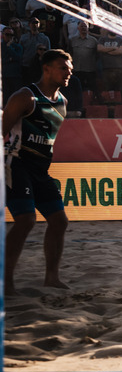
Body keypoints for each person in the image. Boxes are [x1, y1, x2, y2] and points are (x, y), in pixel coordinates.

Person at [3, 49, 74, 292]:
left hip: (40, 169)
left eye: (70, 69)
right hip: (16, 163)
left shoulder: (63, 102)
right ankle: (7, 279)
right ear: (46, 69)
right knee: (25, 220)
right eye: (62, 68)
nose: (68, 73)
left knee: (59, 221)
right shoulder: (25, 97)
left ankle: (51, 277)